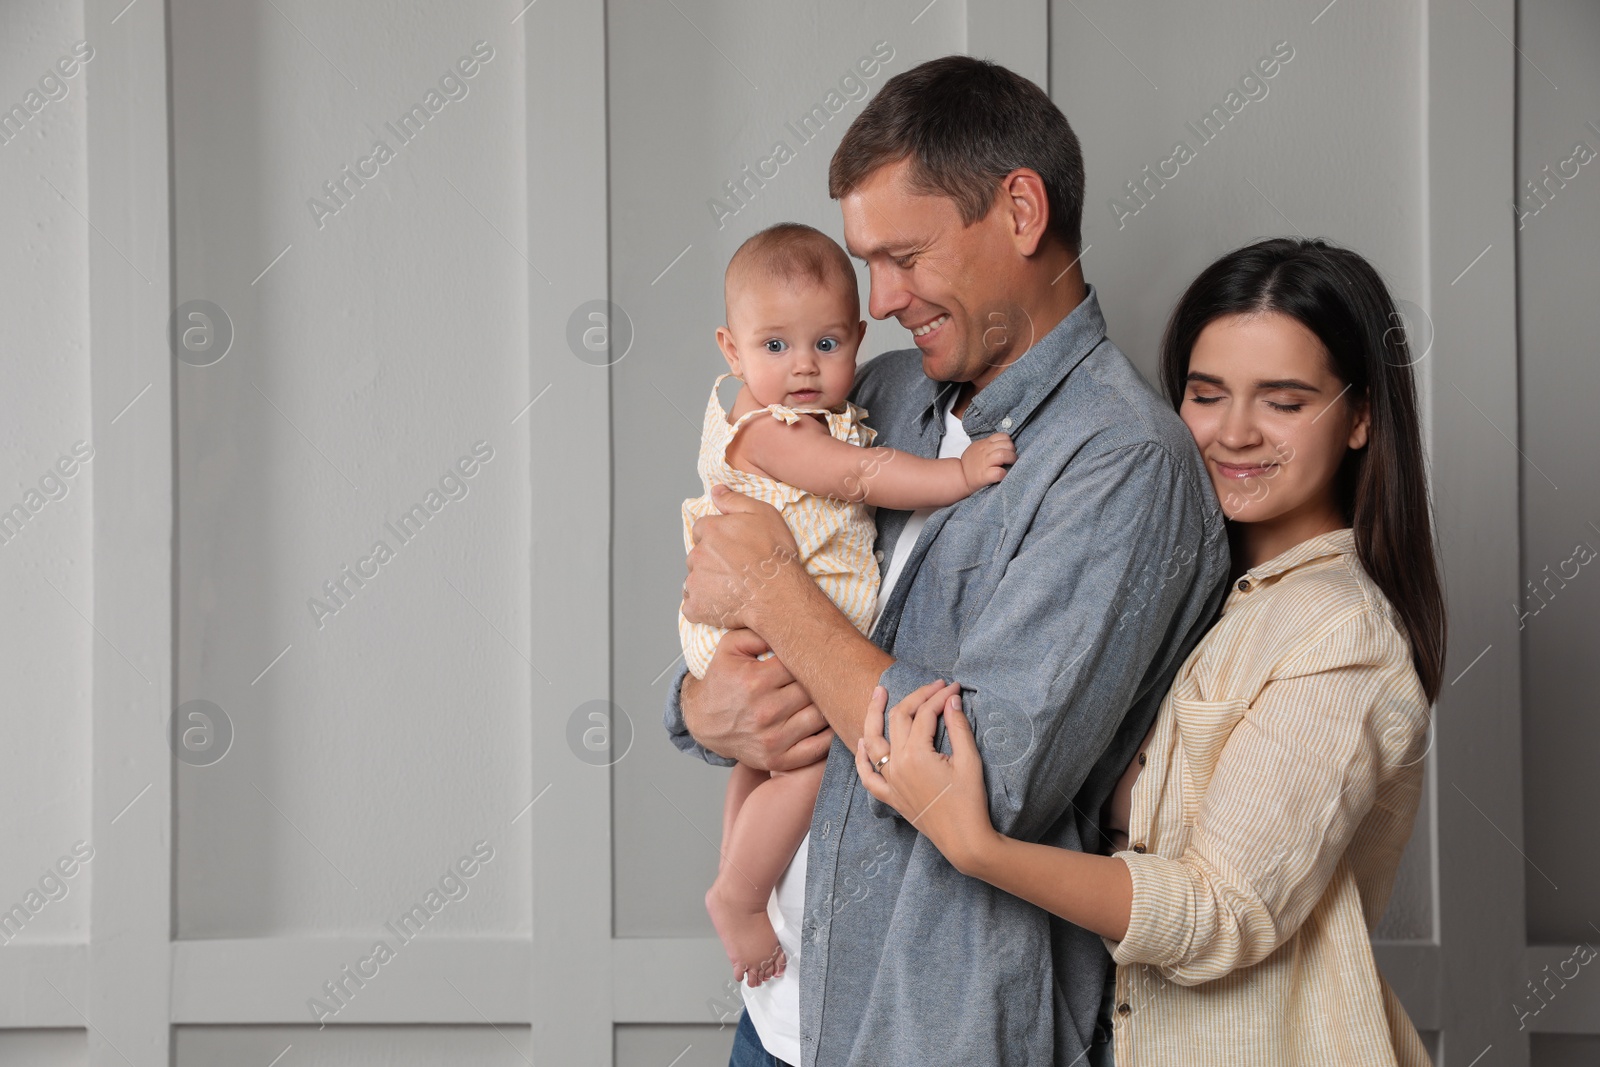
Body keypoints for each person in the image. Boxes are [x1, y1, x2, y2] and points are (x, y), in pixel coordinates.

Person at [667, 55, 1230, 1067]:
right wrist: (702, 709)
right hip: (787, 1009)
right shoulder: (875, 394)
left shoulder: (1120, 464)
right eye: (863, 262)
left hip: (932, 1029)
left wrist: (773, 594)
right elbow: (738, 608)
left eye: (903, 256)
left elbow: (991, 777)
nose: (876, 300)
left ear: (1019, 210)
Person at [856, 237, 1446, 1066]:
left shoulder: (1337, 631)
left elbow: (1223, 912)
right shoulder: (1186, 580)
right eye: (1207, 395)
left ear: (1358, 418)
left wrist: (978, 847)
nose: (1235, 432)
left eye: (1283, 401)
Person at [681, 221, 1016, 990]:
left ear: (856, 339)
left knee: (765, 759)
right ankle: (736, 895)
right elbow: (861, 477)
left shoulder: (841, 400)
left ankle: (738, 879)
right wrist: (958, 475)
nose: (803, 368)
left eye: (826, 345)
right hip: (753, 628)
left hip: (760, 616)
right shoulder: (770, 431)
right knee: (809, 764)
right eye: (775, 348)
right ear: (732, 351)